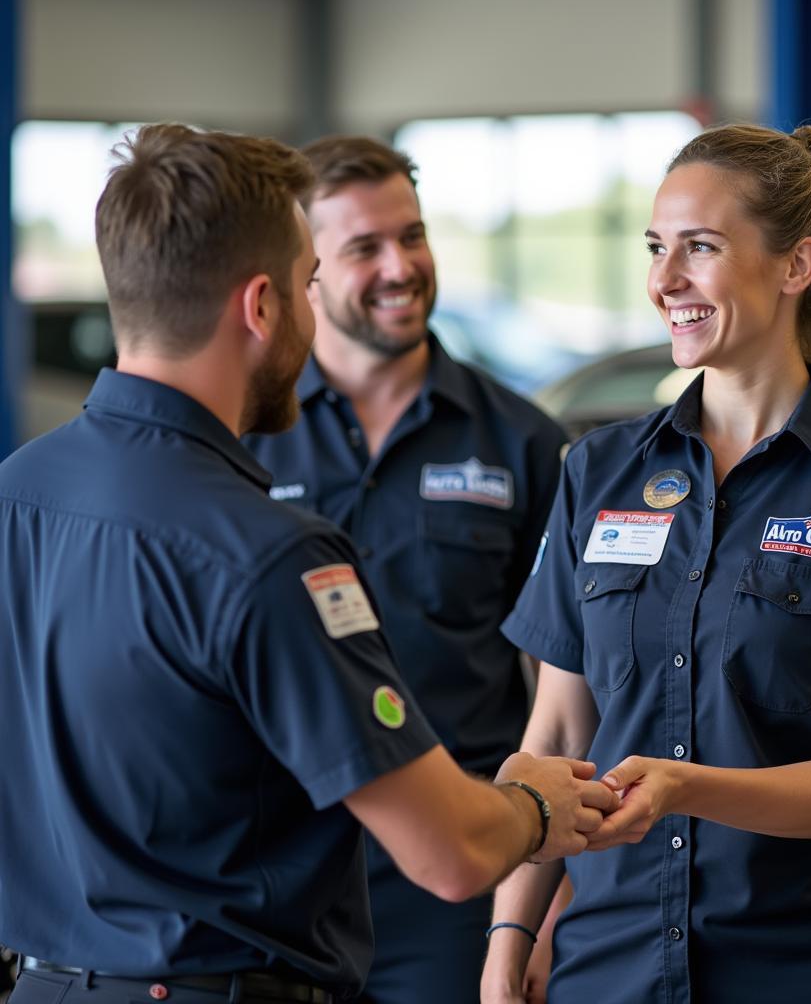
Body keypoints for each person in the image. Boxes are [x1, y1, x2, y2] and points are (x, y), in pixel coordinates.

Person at [0, 123, 618, 1004]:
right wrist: (536, 805)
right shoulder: (268, 553)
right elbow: (451, 852)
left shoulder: (16, 494)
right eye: (309, 282)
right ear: (262, 306)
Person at [480, 123, 811, 1004]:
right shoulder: (599, 472)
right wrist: (509, 937)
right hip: (609, 970)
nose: (664, 281)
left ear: (796, 266)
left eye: (699, 248)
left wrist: (683, 787)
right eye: (657, 248)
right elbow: (554, 740)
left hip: (800, 972)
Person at [244, 136, 567, 1004]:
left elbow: (572, 684)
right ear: (307, 269)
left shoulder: (523, 445)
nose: (402, 266)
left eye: (413, 236)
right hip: (277, 873)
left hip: (462, 873)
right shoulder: (244, 437)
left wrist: (545, 895)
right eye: (364, 248)